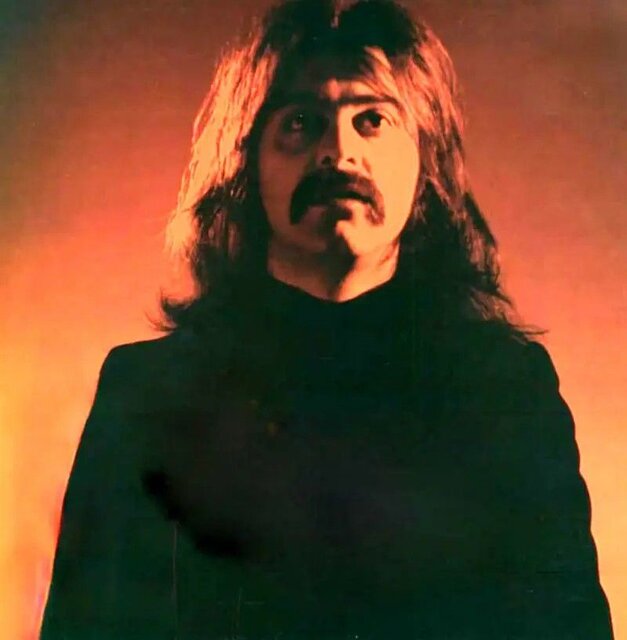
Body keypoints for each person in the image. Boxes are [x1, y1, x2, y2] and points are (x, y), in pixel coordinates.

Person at [40, 0, 614, 638]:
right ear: (246, 162)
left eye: (373, 120)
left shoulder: (507, 389)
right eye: (300, 123)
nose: (338, 152)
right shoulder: (148, 392)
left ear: (424, 162)